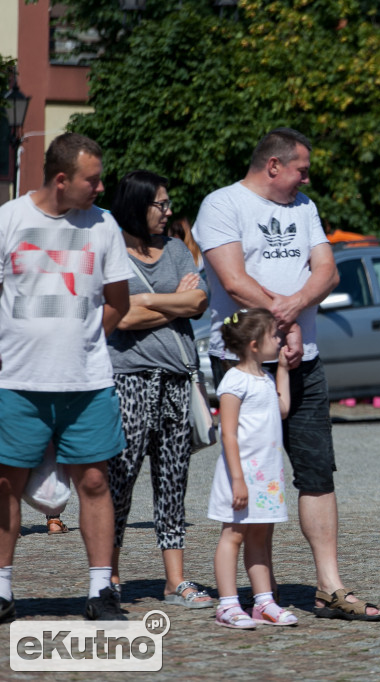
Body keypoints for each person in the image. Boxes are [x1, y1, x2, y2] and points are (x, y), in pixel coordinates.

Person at [194, 127, 380, 621]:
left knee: (317, 470)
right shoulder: (222, 205)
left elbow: (328, 271)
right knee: (257, 472)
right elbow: (235, 283)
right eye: (301, 168)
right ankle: (261, 592)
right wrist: (289, 322)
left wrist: (296, 310)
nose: (307, 177)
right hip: (245, 359)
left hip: (305, 357)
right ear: (273, 165)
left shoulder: (304, 208)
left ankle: (330, 586)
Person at [0, 132, 131, 621]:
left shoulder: (104, 226)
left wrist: (82, 340)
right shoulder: (9, 220)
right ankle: (2, 591)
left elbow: (119, 302)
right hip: (15, 379)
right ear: (61, 180)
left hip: (87, 380)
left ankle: (101, 591)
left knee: (95, 481)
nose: (100, 188)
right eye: (91, 180)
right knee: (5, 484)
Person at [107, 170, 213, 608]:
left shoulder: (175, 251)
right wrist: (173, 303)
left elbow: (200, 301)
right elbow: (121, 318)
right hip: (128, 379)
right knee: (120, 480)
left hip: (176, 379)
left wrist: (148, 302)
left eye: (168, 204)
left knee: (174, 480)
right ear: (137, 205)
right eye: (161, 204)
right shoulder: (112, 252)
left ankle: (176, 581)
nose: (168, 211)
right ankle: (107, 575)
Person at [209, 308, 296, 628]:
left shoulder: (266, 377)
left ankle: (264, 603)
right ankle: (228, 604)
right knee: (232, 536)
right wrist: (238, 480)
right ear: (255, 345)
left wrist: (284, 371)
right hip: (241, 476)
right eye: (274, 335)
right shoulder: (234, 381)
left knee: (259, 536)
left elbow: (282, 408)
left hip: (266, 477)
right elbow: (228, 433)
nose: (279, 339)